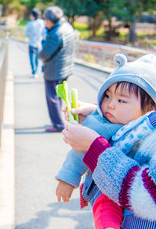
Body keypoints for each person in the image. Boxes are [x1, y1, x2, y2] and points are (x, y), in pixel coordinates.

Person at [62, 53, 156, 228]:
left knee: (105, 203)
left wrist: (94, 147)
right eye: (107, 96)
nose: (111, 104)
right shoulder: (141, 124)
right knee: (104, 205)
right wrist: (97, 115)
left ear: (151, 108)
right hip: (123, 213)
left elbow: (149, 195)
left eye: (121, 100)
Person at [39, 6, 75, 132]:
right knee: (59, 96)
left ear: (50, 21)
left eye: (45, 20)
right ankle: (59, 121)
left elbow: (45, 54)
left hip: (55, 70)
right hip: (65, 68)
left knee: (52, 98)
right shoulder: (67, 26)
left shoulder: (55, 33)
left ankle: (58, 124)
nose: (44, 23)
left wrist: (39, 53)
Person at [24, 9, 45, 78]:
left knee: (32, 59)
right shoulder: (42, 23)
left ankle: (34, 72)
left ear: (32, 15)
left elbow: (26, 34)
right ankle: (36, 71)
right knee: (37, 59)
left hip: (32, 43)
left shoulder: (30, 24)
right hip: (39, 44)